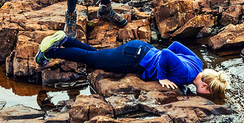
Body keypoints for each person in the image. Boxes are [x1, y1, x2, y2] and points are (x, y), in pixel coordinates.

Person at [35, 31, 230, 95]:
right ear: (205, 85)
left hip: (141, 48)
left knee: (97, 55)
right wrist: (161, 76)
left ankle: (65, 40)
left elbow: (177, 45)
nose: (207, 95)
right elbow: (167, 55)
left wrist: (156, 57)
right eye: (209, 93)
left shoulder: (198, 62)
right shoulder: (186, 75)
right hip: (133, 59)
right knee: (91, 60)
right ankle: (49, 51)